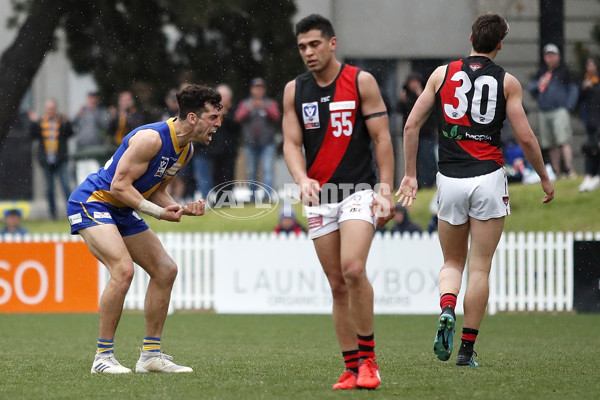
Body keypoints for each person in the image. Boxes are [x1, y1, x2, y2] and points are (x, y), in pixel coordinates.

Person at [397, 14, 554, 367]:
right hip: (488, 178)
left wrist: (409, 174)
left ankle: (447, 308)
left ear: (470, 38)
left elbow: (411, 125)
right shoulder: (507, 82)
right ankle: (466, 352)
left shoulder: (441, 74)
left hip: (450, 179)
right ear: (500, 45)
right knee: (480, 268)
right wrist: (544, 177)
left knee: (452, 262)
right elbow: (526, 137)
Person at [67, 84, 222, 374]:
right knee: (123, 270)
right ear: (192, 117)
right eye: (213, 116)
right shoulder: (151, 138)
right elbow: (118, 186)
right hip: (92, 201)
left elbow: (154, 190)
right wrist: (160, 213)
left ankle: (150, 356)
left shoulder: (185, 151)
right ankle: (102, 358)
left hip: (123, 208)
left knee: (166, 270)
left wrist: (180, 206)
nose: (218, 123)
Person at [282, 14, 395, 390]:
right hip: (320, 197)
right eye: (302, 47)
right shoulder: (293, 91)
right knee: (336, 283)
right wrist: (301, 178)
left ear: (332, 43)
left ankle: (370, 363)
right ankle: (351, 367)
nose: (308, 52)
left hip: (358, 192)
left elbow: (381, 139)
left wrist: (386, 188)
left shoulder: (361, 81)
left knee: (353, 268)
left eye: (314, 44)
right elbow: (291, 143)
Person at [527, 43, 578, 179]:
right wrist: (539, 83)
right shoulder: (541, 72)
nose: (549, 58)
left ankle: (569, 169)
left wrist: (568, 106)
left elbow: (573, 89)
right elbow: (531, 88)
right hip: (544, 111)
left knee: (563, 140)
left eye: (552, 55)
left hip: (559, 110)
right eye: (547, 55)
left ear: (558, 57)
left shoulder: (564, 71)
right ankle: (557, 172)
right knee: (551, 143)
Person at [193, 84, 240, 204]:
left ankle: (226, 202)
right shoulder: (210, 110)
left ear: (229, 97)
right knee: (213, 177)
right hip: (212, 151)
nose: (222, 98)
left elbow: (237, 127)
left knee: (227, 177)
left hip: (228, 151)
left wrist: (225, 115)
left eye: (224, 96)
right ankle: (211, 201)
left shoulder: (234, 109)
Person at [235, 77, 280, 200]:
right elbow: (238, 117)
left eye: (260, 88)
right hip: (250, 143)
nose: (258, 91)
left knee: (267, 170)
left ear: (264, 90)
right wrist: (250, 108)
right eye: (256, 88)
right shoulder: (245, 103)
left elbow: (276, 116)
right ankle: (252, 196)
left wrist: (264, 107)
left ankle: (267, 196)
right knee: (251, 171)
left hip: (267, 143)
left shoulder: (270, 103)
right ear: (252, 90)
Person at [30, 98, 74, 220]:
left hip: (61, 159)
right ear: (45, 109)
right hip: (46, 161)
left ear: (55, 109)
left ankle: (72, 213)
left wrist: (67, 122)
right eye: (48, 108)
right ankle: (52, 215)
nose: (50, 110)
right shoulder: (40, 121)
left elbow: (69, 134)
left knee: (66, 186)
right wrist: (33, 123)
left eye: (52, 108)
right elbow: (33, 136)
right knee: (49, 188)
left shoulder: (61, 121)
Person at [398, 73, 438, 187]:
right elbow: (400, 110)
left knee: (427, 159)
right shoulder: (407, 96)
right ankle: (417, 182)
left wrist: (420, 94)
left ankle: (428, 183)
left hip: (426, 134)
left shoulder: (425, 93)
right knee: (414, 160)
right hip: (413, 135)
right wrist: (403, 100)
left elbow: (432, 111)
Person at [73, 91, 111, 184]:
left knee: (94, 174)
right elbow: (72, 123)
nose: (91, 101)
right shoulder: (82, 111)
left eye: (93, 99)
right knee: (81, 174)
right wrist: (78, 115)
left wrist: (95, 113)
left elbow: (106, 126)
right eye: (90, 99)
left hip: (95, 149)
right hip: (82, 148)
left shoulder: (101, 111)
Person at [577, 57, 600, 192]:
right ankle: (588, 176)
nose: (590, 68)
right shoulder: (585, 82)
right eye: (588, 65)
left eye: (592, 65)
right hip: (591, 122)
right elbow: (578, 100)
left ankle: (597, 176)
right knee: (590, 149)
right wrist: (584, 88)